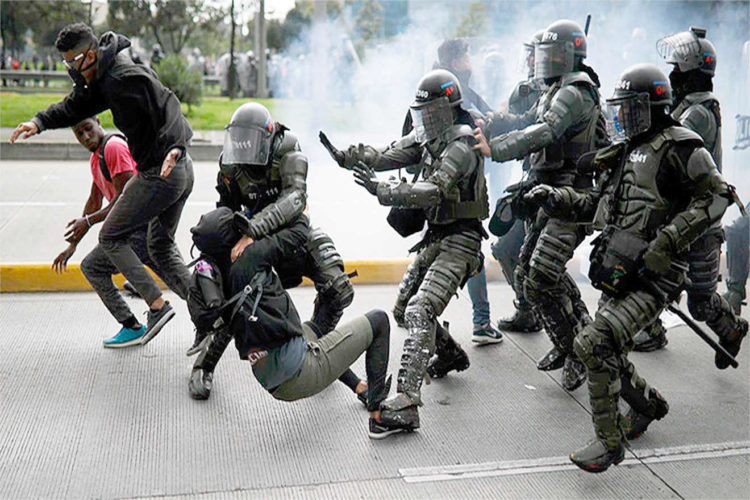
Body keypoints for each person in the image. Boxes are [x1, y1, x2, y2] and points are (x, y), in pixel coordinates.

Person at [527, 64, 741, 471]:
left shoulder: (682, 146)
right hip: (623, 267)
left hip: (657, 274)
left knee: (594, 343)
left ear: (651, 107)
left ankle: (609, 443)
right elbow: (598, 206)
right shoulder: (626, 151)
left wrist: (668, 241)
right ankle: (646, 406)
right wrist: (555, 198)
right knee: (601, 348)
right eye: (619, 109)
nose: (621, 117)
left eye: (629, 109)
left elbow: (718, 196)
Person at [10, 23, 194, 345]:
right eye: (65, 63)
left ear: (91, 55)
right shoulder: (101, 79)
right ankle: (212, 314)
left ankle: (157, 307)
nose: (70, 69)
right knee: (159, 247)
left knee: (111, 235)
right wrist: (38, 122)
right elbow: (73, 106)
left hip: (162, 169)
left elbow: (169, 102)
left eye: (72, 62)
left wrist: (175, 145)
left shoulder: (122, 78)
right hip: (172, 169)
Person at [337, 69, 489, 436]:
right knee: (403, 308)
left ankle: (407, 403)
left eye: (433, 113)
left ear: (450, 110)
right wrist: (349, 156)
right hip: (436, 236)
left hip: (462, 240)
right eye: (423, 114)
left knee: (421, 309)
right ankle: (449, 352)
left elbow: (433, 190)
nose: (426, 122)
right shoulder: (430, 140)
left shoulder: (460, 145)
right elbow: (388, 153)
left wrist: (383, 190)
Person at [186, 102, 367, 405]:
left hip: (291, 232)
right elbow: (226, 211)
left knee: (338, 288)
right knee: (234, 293)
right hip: (250, 238)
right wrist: (227, 245)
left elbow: (295, 199)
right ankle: (205, 363)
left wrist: (254, 229)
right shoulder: (230, 165)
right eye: (240, 142)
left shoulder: (288, 150)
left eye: (251, 142)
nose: (245, 149)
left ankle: (319, 349)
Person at [473, 20, 607, 391]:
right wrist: (491, 122)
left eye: (553, 54)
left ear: (570, 55)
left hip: (571, 195)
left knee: (543, 272)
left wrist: (496, 149)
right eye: (543, 53)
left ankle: (579, 349)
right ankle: (574, 340)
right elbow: (526, 119)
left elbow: (545, 131)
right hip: (546, 193)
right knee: (532, 276)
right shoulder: (555, 89)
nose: (544, 61)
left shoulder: (575, 91)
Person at [186, 208, 394, 439]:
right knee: (379, 320)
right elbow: (299, 229)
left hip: (271, 374)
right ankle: (378, 418)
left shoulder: (216, 274)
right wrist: (265, 226)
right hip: (300, 372)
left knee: (317, 330)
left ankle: (359, 387)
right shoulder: (252, 255)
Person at [632, 27, 747, 357]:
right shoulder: (687, 106)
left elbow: (667, 142)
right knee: (654, 271)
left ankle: (733, 328)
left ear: (692, 72)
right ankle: (652, 329)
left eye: (678, 69)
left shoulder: (698, 113)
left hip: (701, 221)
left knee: (701, 302)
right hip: (682, 213)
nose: (672, 75)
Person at [402, 38, 501, 345]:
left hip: (443, 189)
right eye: (466, 56)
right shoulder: (449, 95)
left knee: (443, 258)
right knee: (463, 252)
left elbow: (483, 115)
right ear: (456, 60)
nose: (471, 62)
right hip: (448, 189)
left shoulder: (446, 88)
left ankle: (438, 327)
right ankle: (479, 323)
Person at [52, 116, 182, 347]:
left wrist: (88, 221)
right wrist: (73, 245)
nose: (86, 136)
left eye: (88, 129)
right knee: (94, 267)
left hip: (139, 230)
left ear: (98, 121)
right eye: (79, 133)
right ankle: (134, 325)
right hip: (129, 231)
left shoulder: (113, 148)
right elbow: (94, 200)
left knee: (178, 281)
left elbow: (127, 198)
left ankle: (207, 316)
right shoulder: (98, 157)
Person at [490, 29, 545, 335]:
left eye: (536, 53)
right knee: (506, 248)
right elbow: (513, 123)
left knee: (544, 262)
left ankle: (552, 319)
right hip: (532, 183)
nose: (531, 60)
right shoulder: (525, 90)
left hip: (559, 188)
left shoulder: (570, 93)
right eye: (530, 54)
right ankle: (527, 310)